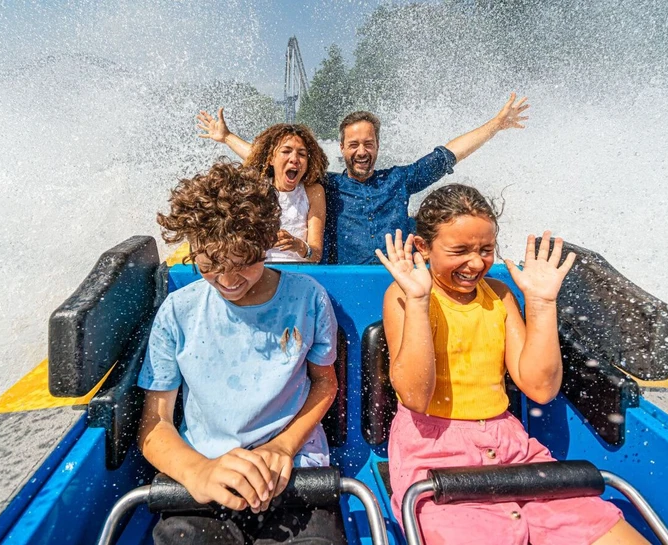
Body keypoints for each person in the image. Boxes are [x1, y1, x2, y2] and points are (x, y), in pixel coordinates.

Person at [375, 184, 650, 545]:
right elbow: (414, 395)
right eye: (459, 251)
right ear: (423, 247)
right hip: (434, 452)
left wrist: (540, 302)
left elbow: (539, 387)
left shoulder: (501, 297)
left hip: (512, 448)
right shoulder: (403, 294)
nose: (476, 263)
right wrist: (417, 299)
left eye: (486, 250)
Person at [137, 160, 344, 544]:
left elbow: (324, 385)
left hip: (297, 474)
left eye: (244, 263)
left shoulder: (308, 298)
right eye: (210, 265)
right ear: (194, 249)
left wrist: (283, 446)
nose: (229, 281)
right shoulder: (177, 313)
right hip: (203, 475)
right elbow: (155, 423)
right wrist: (198, 472)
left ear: (267, 242)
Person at [196, 94, 528, 264]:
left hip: (393, 280)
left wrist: (496, 125)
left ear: (377, 147)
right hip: (341, 282)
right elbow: (276, 157)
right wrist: (227, 137)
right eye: (353, 144)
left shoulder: (399, 179)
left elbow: (446, 156)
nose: (361, 151)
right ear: (342, 148)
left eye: (368, 144)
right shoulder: (327, 185)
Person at [197, 113, 329, 262]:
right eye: (286, 151)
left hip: (299, 271)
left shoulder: (313, 191)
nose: (294, 159)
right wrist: (226, 136)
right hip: (259, 270)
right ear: (271, 159)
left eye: (302, 154)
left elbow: (316, 255)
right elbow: (255, 156)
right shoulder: (257, 186)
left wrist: (298, 245)